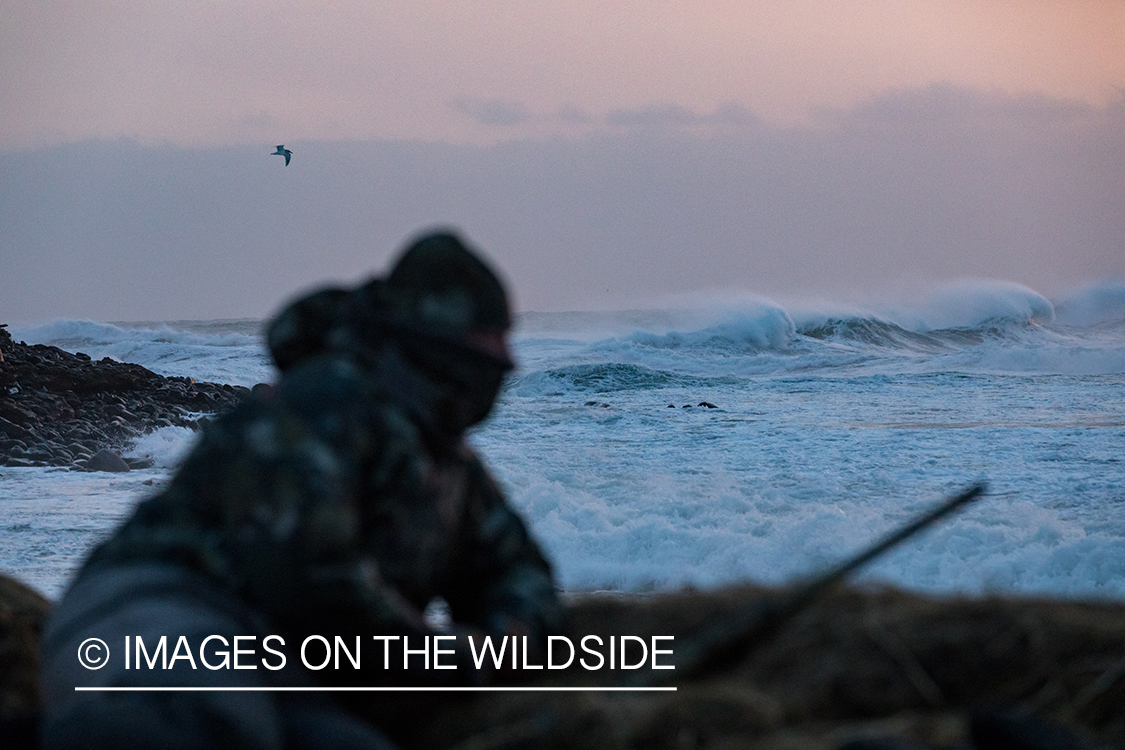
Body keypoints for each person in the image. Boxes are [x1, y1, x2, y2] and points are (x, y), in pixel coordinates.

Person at [40, 231, 564, 749]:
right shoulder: (326, 404)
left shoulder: (448, 468)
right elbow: (314, 579)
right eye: (488, 335)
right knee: (191, 723)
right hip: (161, 605)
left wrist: (502, 641)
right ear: (436, 339)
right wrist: (440, 654)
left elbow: (520, 572)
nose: (505, 357)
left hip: (280, 657)